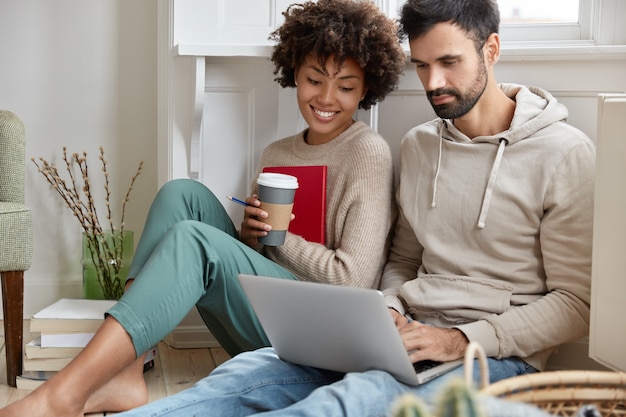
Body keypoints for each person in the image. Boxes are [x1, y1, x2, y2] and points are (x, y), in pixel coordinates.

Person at [93, 0, 595, 416]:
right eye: (421, 65)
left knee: (342, 402)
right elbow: (402, 261)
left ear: (492, 49)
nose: (432, 82)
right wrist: (391, 311)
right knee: (243, 376)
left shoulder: (563, 152)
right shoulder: (421, 145)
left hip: (495, 356)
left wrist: (462, 339)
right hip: (397, 336)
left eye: (449, 62)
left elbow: (576, 305)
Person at [0, 1, 405, 416]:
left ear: (366, 88)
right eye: (314, 79)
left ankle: (63, 396)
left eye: (346, 86)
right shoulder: (277, 152)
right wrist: (251, 236)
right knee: (182, 193)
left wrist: (277, 239)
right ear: (294, 74)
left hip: (323, 341)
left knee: (194, 241)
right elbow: (261, 260)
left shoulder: (368, 152)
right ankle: (127, 370)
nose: (325, 97)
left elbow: (354, 282)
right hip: (271, 317)